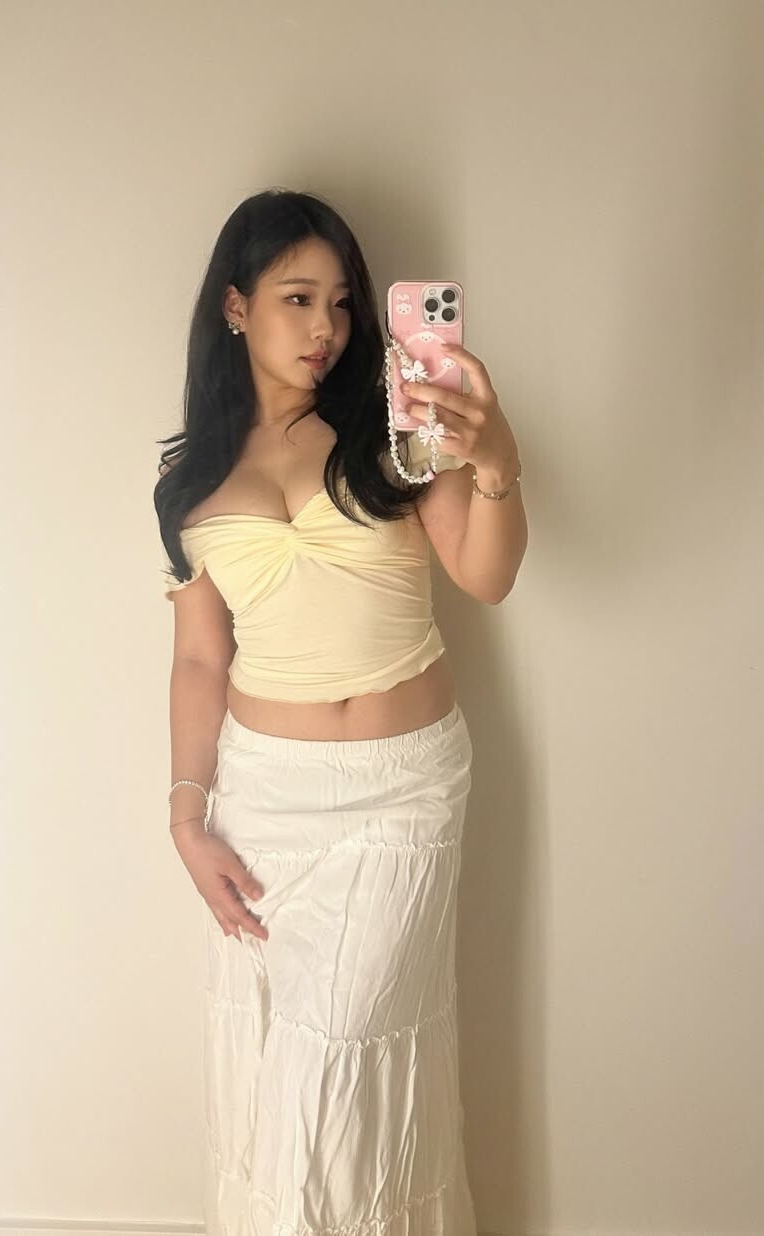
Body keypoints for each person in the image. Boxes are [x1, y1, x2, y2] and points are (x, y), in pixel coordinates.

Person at [154, 188, 526, 1235]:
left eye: (343, 303)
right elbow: (199, 658)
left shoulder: (392, 433)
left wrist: (495, 463)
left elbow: (487, 576)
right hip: (264, 801)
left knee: (334, 1070)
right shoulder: (188, 483)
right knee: (275, 1064)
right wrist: (186, 816)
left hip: (402, 795)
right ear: (236, 307)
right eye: (298, 297)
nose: (327, 327)